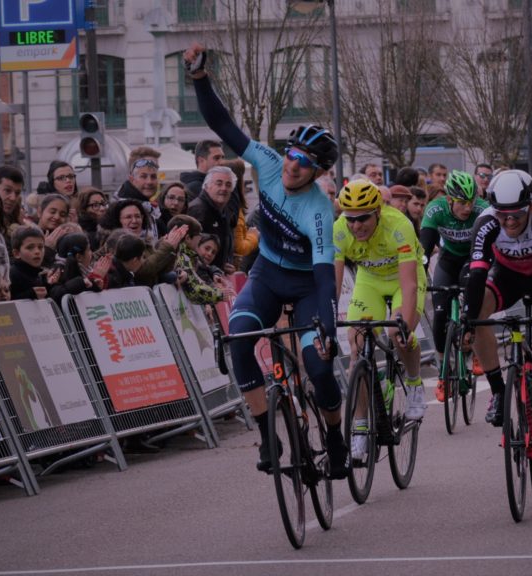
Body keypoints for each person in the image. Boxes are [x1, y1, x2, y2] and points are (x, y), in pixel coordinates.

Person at [184, 42, 348, 478]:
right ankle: (267, 436)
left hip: (308, 287)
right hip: (267, 275)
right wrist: (200, 78)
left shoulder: (317, 210)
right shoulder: (269, 164)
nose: (294, 166)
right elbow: (222, 124)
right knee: (239, 338)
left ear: (318, 172)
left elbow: (324, 275)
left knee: (318, 367)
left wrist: (328, 328)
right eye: (293, 155)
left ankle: (334, 437)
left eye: (306, 163)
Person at [464, 169, 532, 482]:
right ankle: (498, 390)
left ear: (529, 205)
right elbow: (476, 274)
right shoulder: (486, 223)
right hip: (507, 278)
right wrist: (469, 323)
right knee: (478, 309)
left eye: (516, 215)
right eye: (503, 216)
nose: (509, 222)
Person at [333, 179, 427, 462]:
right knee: (356, 346)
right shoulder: (339, 230)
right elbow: (333, 283)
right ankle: (360, 427)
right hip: (370, 281)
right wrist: (325, 320)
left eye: (363, 218)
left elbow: (409, 285)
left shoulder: (398, 225)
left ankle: (413, 383)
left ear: (377, 212)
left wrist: (406, 325)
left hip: (402, 279)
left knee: (399, 334)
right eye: (350, 218)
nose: (356, 225)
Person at [420, 170, 488, 401]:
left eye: (470, 202)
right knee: (439, 314)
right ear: (449, 199)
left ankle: (477, 350)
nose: (467, 208)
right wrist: (420, 273)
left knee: (473, 298)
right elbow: (425, 250)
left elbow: (491, 248)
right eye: (461, 203)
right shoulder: (435, 209)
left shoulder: (482, 210)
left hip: (473, 259)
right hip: (448, 261)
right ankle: (443, 372)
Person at [187, 166, 239, 273]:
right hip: (199, 277)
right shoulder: (198, 210)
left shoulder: (226, 211)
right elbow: (190, 250)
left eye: (228, 185)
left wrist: (224, 265)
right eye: (219, 183)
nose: (224, 188)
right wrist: (212, 270)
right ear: (206, 186)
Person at [9, 225, 55, 300]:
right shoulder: (12, 275)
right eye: (30, 247)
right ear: (16, 253)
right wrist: (31, 294)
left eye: (40, 247)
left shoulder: (39, 275)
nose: (37, 252)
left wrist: (49, 285)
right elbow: (7, 303)